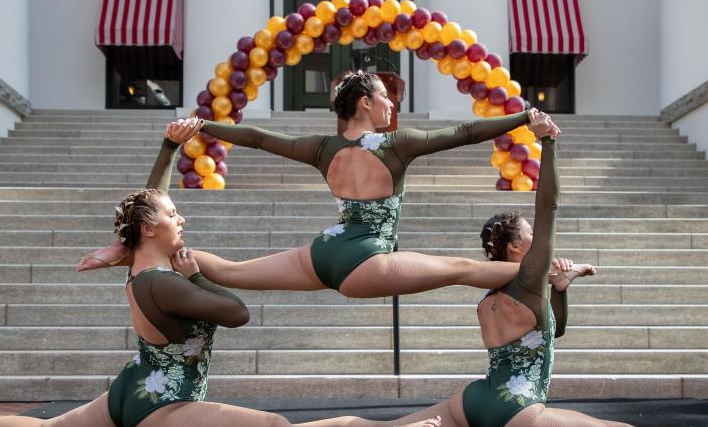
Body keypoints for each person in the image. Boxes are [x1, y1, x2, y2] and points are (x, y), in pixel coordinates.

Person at [0, 141, 442, 427]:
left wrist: (169, 148)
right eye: (175, 216)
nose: (182, 218)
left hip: (131, 391)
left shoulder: (142, 265)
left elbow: (153, 202)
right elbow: (238, 314)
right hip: (161, 415)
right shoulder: (166, 281)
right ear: (150, 228)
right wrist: (199, 278)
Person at [294, 126, 708, 427]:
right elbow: (551, 205)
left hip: (474, 404)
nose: (539, 240)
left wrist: (560, 288)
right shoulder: (528, 274)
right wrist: (550, 147)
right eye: (531, 235)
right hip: (514, 415)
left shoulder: (491, 294)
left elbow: (551, 331)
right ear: (522, 246)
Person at [77, 70, 562, 299]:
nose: (391, 106)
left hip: (324, 251)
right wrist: (525, 115)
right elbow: (465, 132)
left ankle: (128, 249)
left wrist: (200, 128)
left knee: (228, 270)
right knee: (464, 269)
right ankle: (557, 273)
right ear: (366, 105)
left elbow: (259, 138)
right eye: (385, 99)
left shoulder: (322, 148)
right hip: (367, 259)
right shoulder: (397, 144)